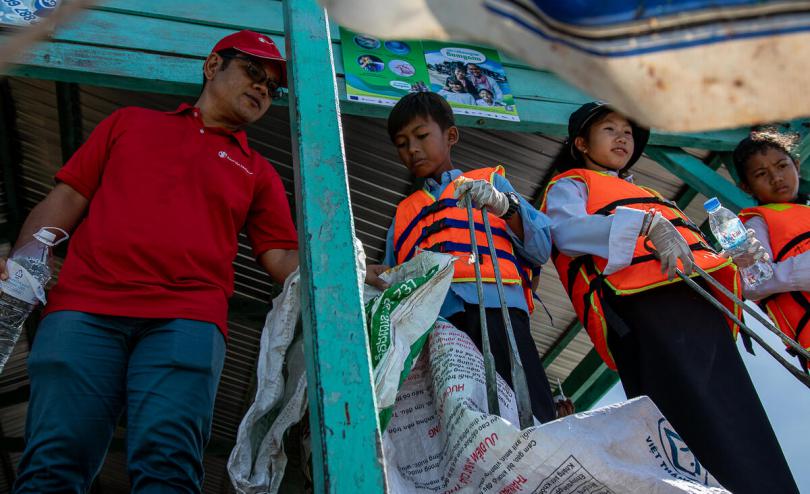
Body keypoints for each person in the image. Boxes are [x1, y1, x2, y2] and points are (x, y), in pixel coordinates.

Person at [8, 30, 386, 492]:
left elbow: (281, 257)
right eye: (253, 72)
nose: (264, 88)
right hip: (83, 310)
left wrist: (346, 273)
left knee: (168, 469)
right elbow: (68, 196)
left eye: (273, 85)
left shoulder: (258, 172)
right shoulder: (128, 123)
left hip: (185, 321)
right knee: (53, 464)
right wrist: (27, 258)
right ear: (212, 66)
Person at [539, 102, 799, 493]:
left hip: (701, 309)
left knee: (741, 420)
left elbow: (691, 249)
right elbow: (565, 233)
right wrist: (641, 222)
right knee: (689, 426)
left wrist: (731, 257)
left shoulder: (648, 193)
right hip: (643, 310)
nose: (623, 137)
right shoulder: (570, 185)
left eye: (627, 131)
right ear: (581, 143)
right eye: (609, 129)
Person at [384, 92, 560, 422]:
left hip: (499, 312)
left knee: (530, 412)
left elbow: (541, 247)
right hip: (439, 329)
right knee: (464, 420)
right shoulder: (402, 214)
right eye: (402, 143)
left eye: (421, 136)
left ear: (450, 136)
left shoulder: (490, 181)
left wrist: (505, 206)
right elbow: (392, 278)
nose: (412, 149)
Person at [734, 130, 810, 370]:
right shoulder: (755, 224)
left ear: (796, 165)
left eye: (782, 166)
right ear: (746, 187)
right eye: (761, 174)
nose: (777, 178)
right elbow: (752, 282)